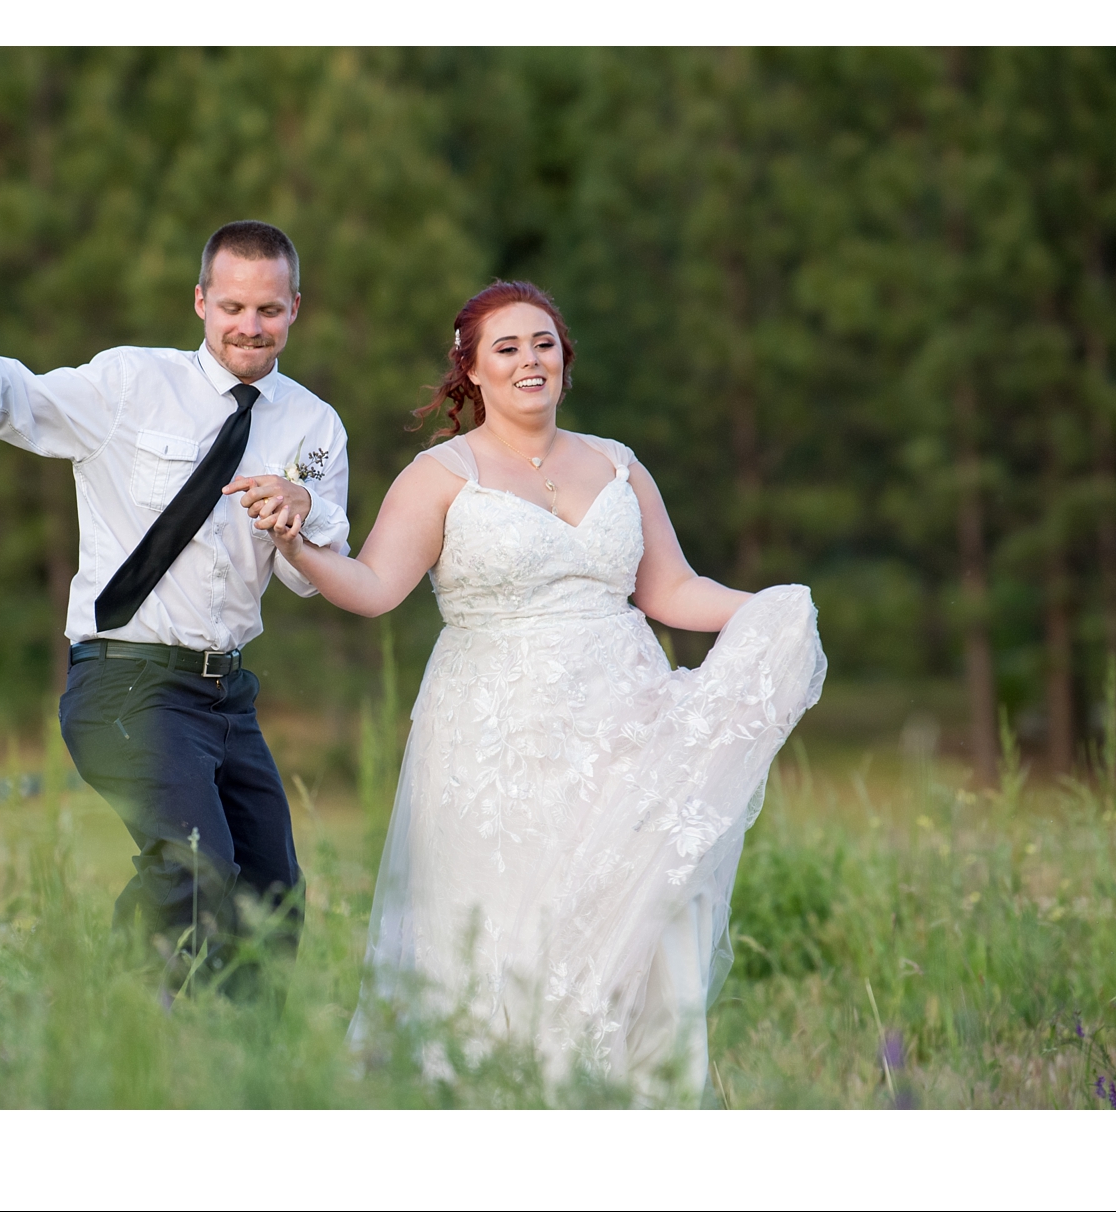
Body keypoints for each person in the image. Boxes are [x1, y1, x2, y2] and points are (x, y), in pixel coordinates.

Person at [257, 280, 826, 1100]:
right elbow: (375, 587)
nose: (531, 359)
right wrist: (300, 547)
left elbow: (670, 591)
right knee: (509, 934)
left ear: (564, 360)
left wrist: (765, 611)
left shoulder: (619, 464)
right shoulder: (441, 474)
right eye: (507, 347)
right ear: (473, 370)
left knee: (632, 920)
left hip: (624, 725)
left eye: (544, 343)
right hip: (495, 738)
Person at [0, 220, 345, 984]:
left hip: (227, 696)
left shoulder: (313, 426)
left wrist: (303, 516)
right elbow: (20, 402)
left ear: (295, 308)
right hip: (124, 681)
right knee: (194, 869)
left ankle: (244, 1069)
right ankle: (113, 1018)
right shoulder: (132, 383)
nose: (250, 326)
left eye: (268, 310)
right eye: (232, 306)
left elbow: (310, 576)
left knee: (272, 900)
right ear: (200, 301)